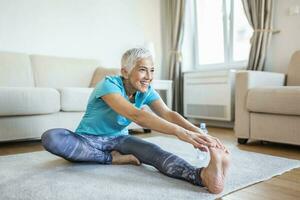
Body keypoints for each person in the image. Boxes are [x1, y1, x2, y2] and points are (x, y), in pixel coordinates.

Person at [41, 47, 230, 194]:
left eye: (152, 70)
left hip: (121, 139)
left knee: (155, 153)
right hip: (88, 139)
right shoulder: (109, 84)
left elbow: (167, 113)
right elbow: (136, 115)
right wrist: (179, 132)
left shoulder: (146, 91)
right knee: (52, 138)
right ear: (125, 71)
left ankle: (203, 176)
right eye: (142, 70)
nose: (149, 77)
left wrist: (199, 133)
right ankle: (111, 159)